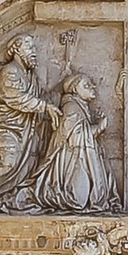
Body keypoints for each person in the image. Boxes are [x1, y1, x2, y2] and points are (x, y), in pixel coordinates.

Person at [0, 38, 53, 210]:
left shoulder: (31, 77)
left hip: (24, 131)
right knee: (7, 162)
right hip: (4, 128)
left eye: (34, 47)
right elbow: (15, 97)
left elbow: (42, 96)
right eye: (29, 47)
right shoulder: (10, 71)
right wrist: (44, 106)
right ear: (16, 50)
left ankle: (8, 196)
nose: (34, 51)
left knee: (30, 163)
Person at [33, 68, 116, 215]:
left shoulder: (80, 107)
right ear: (75, 90)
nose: (92, 87)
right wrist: (99, 127)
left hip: (79, 159)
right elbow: (77, 138)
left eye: (91, 84)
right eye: (86, 85)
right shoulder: (71, 107)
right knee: (78, 199)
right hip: (74, 161)